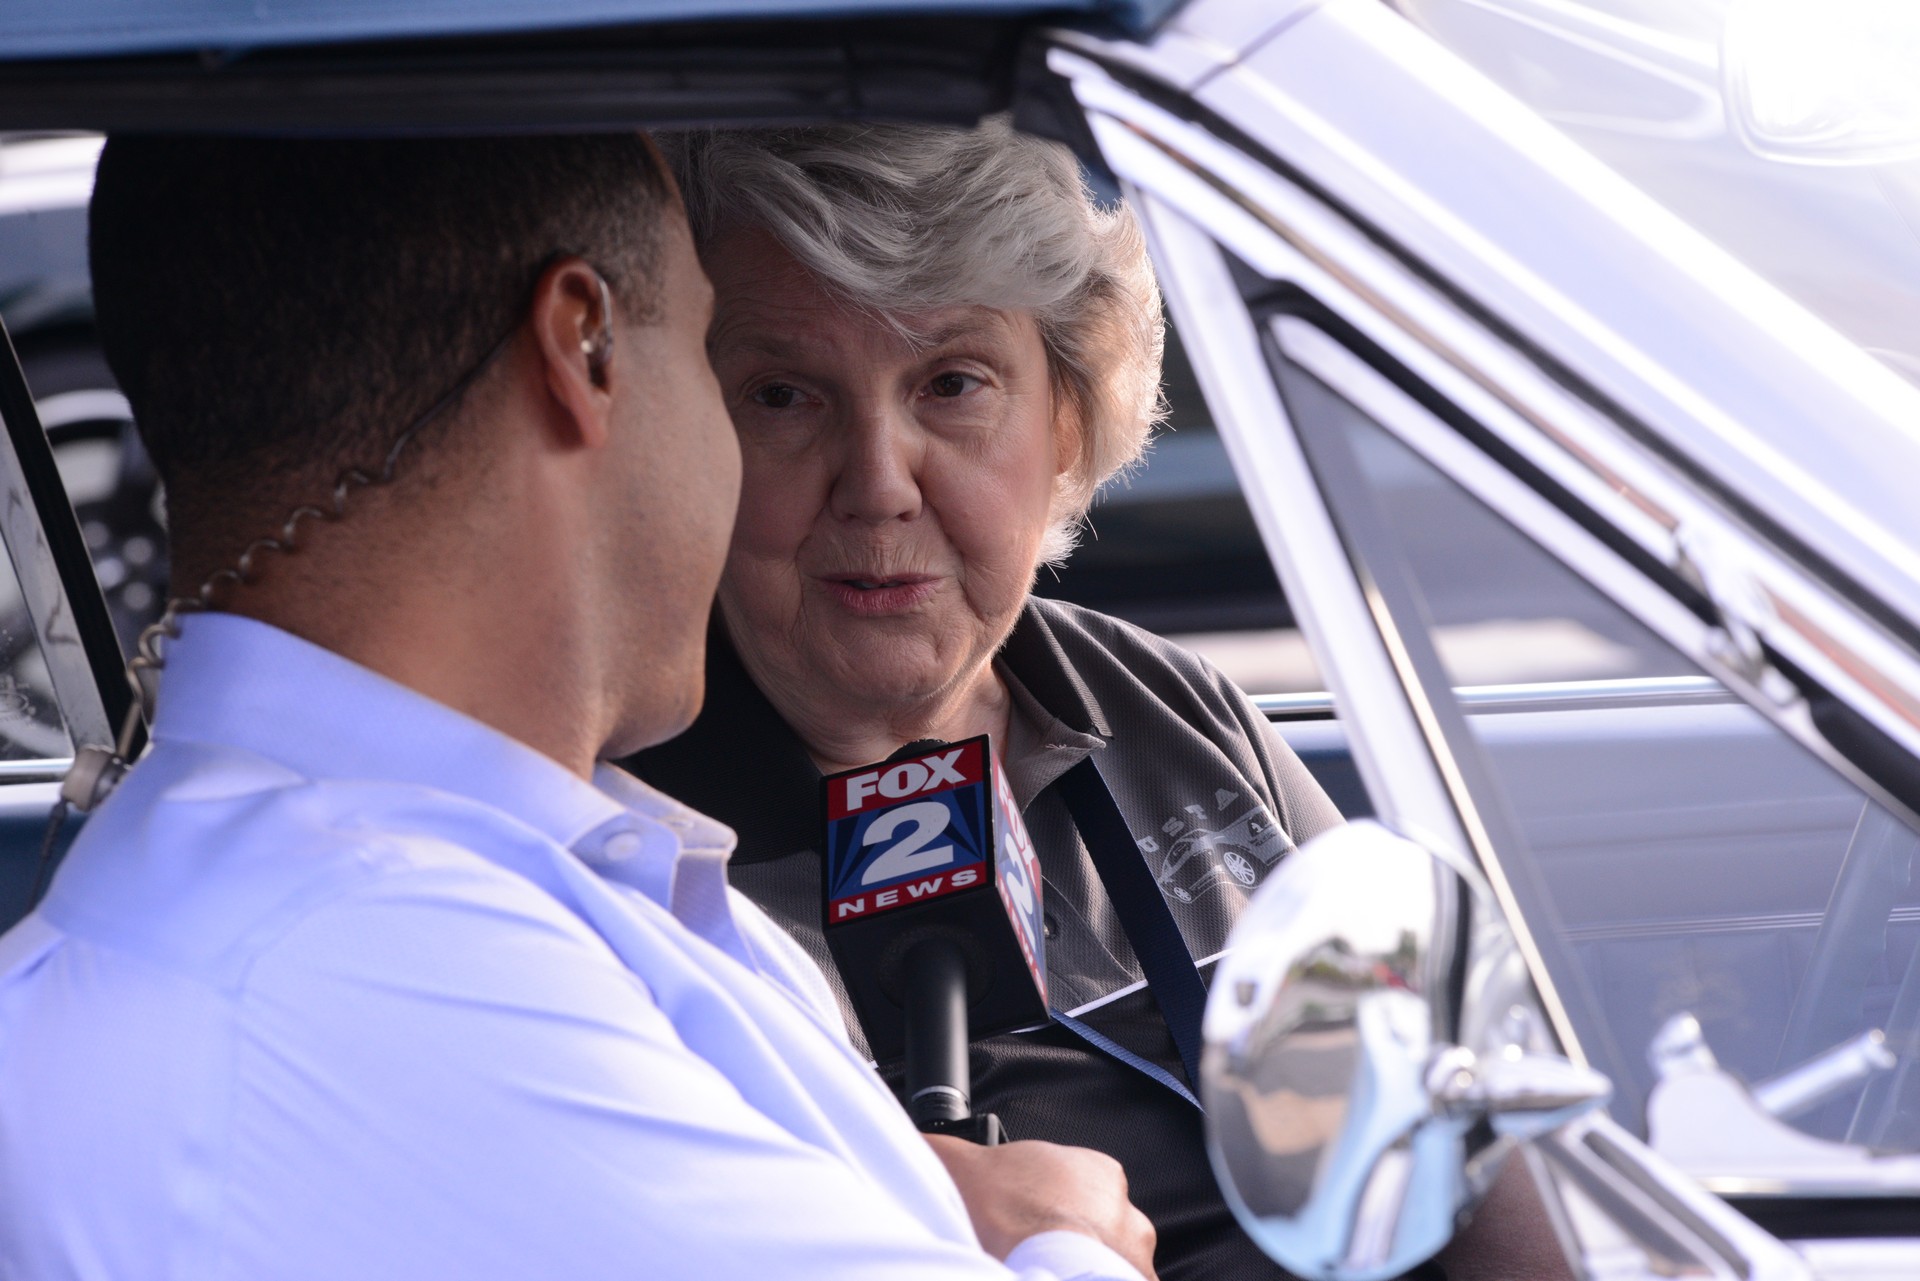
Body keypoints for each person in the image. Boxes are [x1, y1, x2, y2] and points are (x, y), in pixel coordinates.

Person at [0, 133, 1159, 1280]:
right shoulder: (407, 977)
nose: (872, 482)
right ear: (583, 349)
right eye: (739, 376)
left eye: (949, 384)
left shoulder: (341, 890)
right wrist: (1056, 1240)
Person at [623, 121, 1352, 1281]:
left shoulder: (1163, 704)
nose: (877, 481)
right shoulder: (628, 832)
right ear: (681, 439)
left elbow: (1445, 1116)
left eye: (952, 382)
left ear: (1064, 423)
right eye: (782, 395)